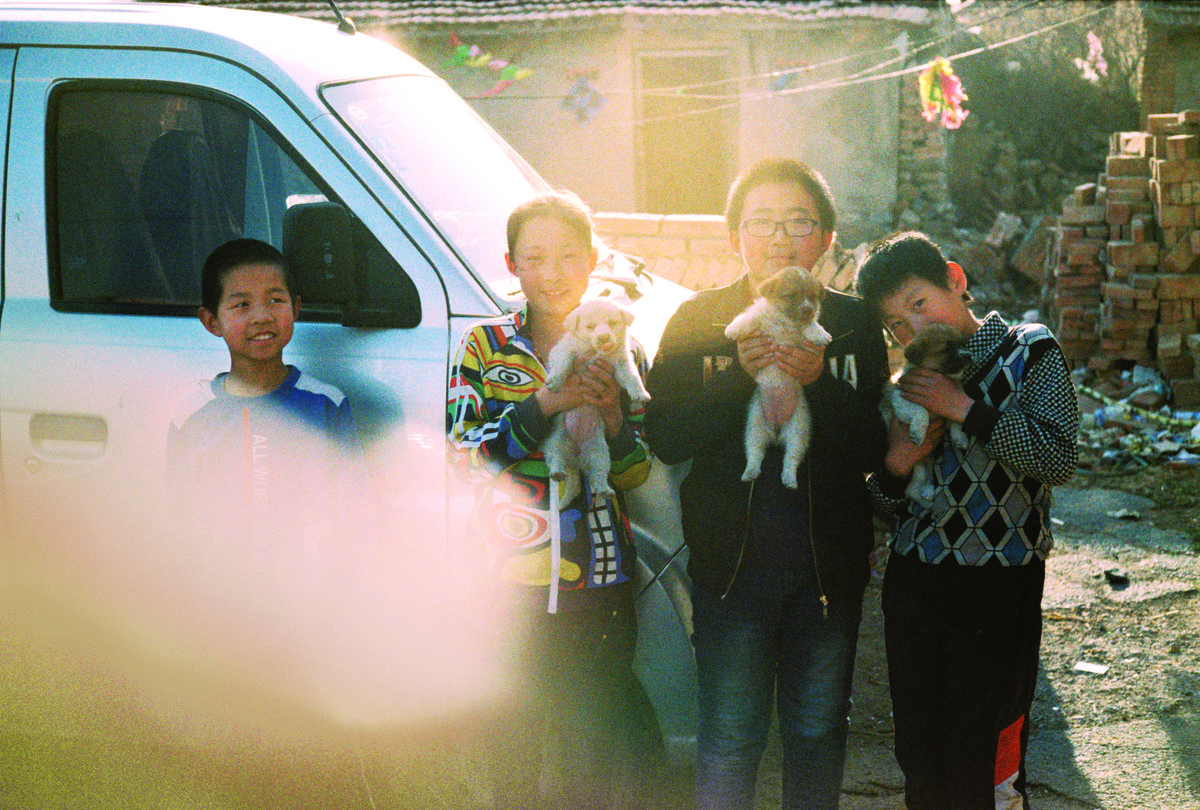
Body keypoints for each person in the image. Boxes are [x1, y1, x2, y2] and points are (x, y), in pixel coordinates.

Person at [643, 157, 889, 809]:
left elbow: (875, 446)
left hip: (826, 576)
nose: (780, 238)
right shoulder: (699, 321)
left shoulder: (855, 323)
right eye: (762, 222)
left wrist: (820, 383)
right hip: (731, 573)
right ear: (734, 238)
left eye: (800, 222)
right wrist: (736, 380)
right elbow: (665, 436)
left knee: (815, 734)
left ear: (827, 239)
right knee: (729, 738)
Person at [854, 231, 1079, 810]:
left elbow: (1057, 459)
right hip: (917, 584)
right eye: (896, 325)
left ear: (955, 279)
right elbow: (886, 508)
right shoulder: (905, 383)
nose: (914, 330)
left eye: (920, 304)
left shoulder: (1029, 350)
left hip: (1001, 585)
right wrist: (900, 467)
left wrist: (965, 410)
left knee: (989, 766)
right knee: (922, 760)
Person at [446, 190, 655, 808]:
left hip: (599, 573)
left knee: (591, 747)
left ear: (593, 261)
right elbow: (465, 452)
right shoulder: (485, 346)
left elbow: (637, 474)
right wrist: (544, 407)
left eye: (569, 256)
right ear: (511, 265)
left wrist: (615, 420)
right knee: (510, 742)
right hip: (504, 576)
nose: (553, 272)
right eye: (534, 258)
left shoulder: (621, 348)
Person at [168, 237, 361, 567]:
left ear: (295, 308)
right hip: (227, 597)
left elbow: (356, 513)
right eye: (242, 305)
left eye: (275, 300)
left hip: (308, 594)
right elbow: (179, 521)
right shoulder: (193, 417)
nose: (262, 316)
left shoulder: (326, 405)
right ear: (211, 321)